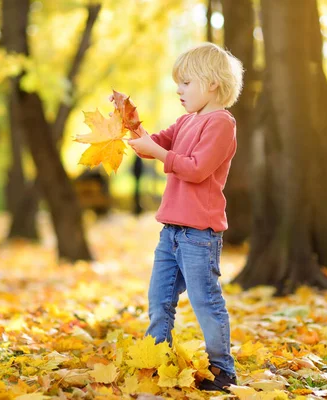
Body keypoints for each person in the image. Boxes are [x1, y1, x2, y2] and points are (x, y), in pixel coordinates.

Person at [125, 42, 244, 392]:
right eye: (178, 83)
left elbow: (195, 169)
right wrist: (130, 126)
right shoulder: (186, 121)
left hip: (199, 235)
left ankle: (223, 369)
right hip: (171, 232)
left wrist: (159, 152)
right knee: (158, 301)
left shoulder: (221, 123)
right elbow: (152, 144)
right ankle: (155, 361)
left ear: (211, 84)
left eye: (186, 82)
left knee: (206, 301)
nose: (179, 89)